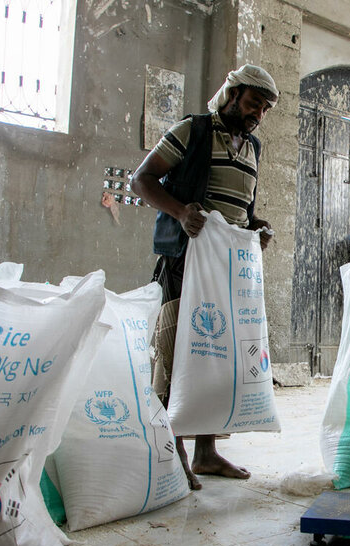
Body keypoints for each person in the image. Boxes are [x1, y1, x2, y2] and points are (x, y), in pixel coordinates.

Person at [130, 64, 279, 490]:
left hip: (227, 267)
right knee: (180, 349)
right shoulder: (192, 131)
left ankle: (207, 452)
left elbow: (240, 212)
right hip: (184, 260)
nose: (258, 114)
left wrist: (257, 228)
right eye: (253, 103)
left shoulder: (253, 149)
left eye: (265, 109)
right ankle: (171, 450)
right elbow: (143, 180)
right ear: (232, 94)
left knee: (217, 356)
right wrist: (180, 212)